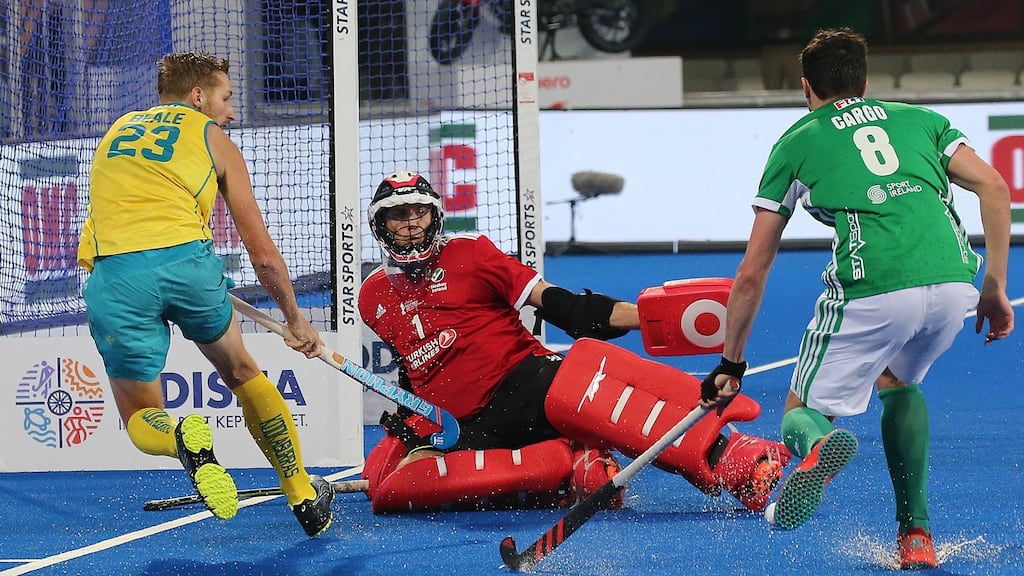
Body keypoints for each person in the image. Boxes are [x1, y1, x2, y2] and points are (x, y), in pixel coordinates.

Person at [698, 28, 1014, 570]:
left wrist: (731, 361)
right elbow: (995, 188)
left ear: (806, 87)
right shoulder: (923, 120)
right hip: (953, 284)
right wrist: (995, 287)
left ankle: (818, 446)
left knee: (801, 412)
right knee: (898, 381)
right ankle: (916, 536)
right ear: (865, 84)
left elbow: (753, 270)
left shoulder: (796, 142)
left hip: (874, 287)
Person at [356, 171, 792, 514]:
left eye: (419, 213)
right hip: (463, 424)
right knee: (392, 491)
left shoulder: (471, 252)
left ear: (435, 216)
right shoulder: (371, 296)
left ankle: (736, 458)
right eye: (399, 215)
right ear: (381, 225)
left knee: (579, 389)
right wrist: (406, 429)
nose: (411, 225)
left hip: (523, 384)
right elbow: (411, 371)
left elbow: (560, 305)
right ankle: (569, 466)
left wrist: (645, 318)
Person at [76, 51, 334, 537]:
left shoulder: (116, 131)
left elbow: (98, 225)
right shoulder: (213, 138)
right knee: (242, 371)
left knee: (139, 413)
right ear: (198, 96)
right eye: (226, 98)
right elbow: (262, 255)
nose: (231, 112)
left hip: (116, 275)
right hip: (187, 267)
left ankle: (180, 438)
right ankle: (302, 494)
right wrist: (294, 318)